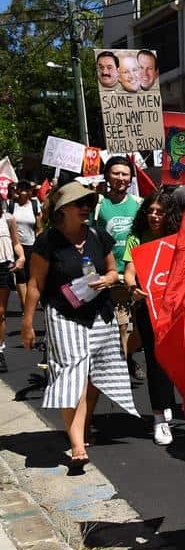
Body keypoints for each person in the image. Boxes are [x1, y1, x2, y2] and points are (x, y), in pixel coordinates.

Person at [21, 182, 139, 470]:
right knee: (70, 375)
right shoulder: (47, 242)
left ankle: (83, 426)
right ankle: (76, 442)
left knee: (94, 375)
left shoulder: (99, 235)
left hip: (100, 314)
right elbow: (35, 284)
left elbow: (113, 270)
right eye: (80, 203)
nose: (86, 207)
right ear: (63, 210)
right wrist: (27, 323)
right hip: (63, 315)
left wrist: (109, 280)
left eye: (89, 202)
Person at [123, 192, 181, 446]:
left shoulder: (177, 239)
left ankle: (167, 401)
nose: (154, 216)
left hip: (174, 309)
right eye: (150, 211)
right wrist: (132, 287)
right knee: (155, 360)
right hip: (148, 309)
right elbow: (129, 273)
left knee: (170, 359)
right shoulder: (136, 238)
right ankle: (159, 419)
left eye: (160, 212)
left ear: (169, 215)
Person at [94, 156, 143, 382]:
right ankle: (120, 372)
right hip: (112, 277)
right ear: (107, 176)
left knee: (139, 330)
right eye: (116, 173)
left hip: (137, 277)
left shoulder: (139, 204)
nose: (121, 178)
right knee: (122, 325)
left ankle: (127, 356)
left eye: (125, 174)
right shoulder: (97, 206)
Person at [9, 180, 42, 308]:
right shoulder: (11, 205)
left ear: (29, 191)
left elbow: (39, 226)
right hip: (16, 245)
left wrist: (39, 241)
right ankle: (25, 304)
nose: (23, 190)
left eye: (26, 188)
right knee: (20, 274)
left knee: (30, 274)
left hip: (31, 244)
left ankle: (30, 299)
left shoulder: (34, 204)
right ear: (17, 190)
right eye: (21, 188)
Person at [0, 208, 25, 372]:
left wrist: (21, 257)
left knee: (0, 312)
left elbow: (16, 242)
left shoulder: (8, 218)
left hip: (3, 267)